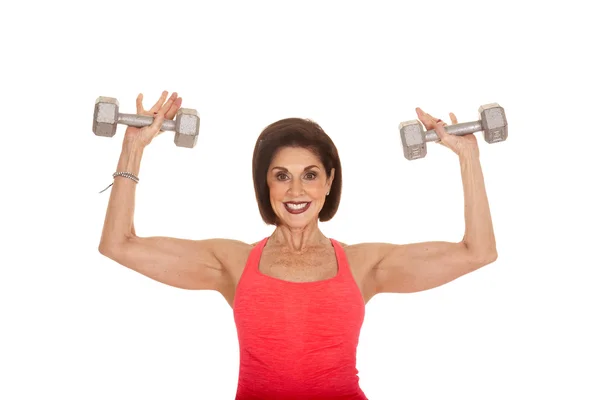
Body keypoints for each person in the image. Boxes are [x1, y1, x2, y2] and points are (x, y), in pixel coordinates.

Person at [98, 91, 498, 400]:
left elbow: (477, 251)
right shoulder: (234, 263)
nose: (295, 190)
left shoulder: (363, 265)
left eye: (309, 175)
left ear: (328, 182)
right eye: (281, 176)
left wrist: (468, 156)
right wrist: (132, 147)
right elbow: (119, 244)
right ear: (266, 185)